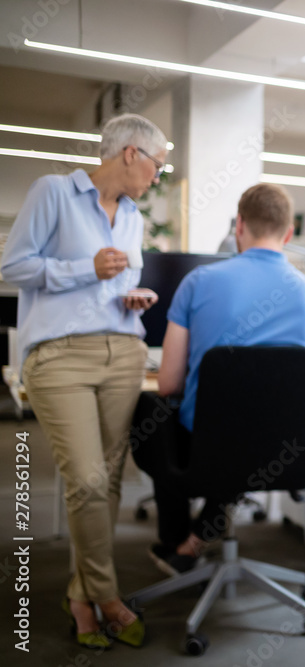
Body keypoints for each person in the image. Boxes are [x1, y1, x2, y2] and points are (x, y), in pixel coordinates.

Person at [0, 113, 166, 649]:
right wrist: (83, 270)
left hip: (123, 350)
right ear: (130, 154)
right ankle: (109, 596)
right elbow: (14, 267)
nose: (158, 176)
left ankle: (79, 595)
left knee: (107, 482)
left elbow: (121, 277)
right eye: (158, 164)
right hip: (59, 355)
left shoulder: (134, 216)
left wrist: (132, 295)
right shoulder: (55, 192)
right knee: (89, 480)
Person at [133, 183, 305, 575]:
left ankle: (176, 541)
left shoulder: (199, 283)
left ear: (239, 225)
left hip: (207, 446)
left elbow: (168, 383)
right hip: (281, 447)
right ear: (289, 234)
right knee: (247, 420)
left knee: (154, 410)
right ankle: (197, 539)